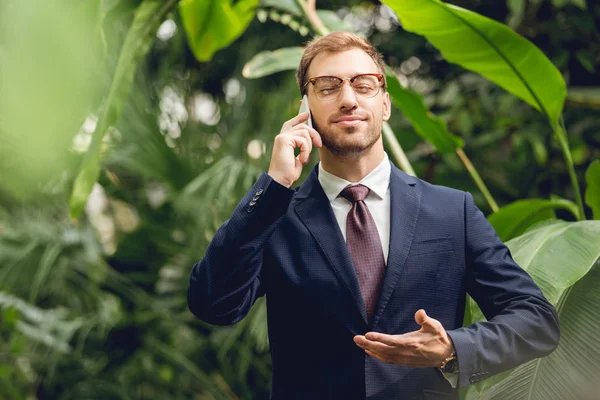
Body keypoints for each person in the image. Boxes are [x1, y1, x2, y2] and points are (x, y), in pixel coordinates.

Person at [187, 32, 560, 400]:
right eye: (328, 87)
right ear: (305, 109)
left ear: (385, 104)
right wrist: (273, 185)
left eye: (364, 84)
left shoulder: (453, 211)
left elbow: (536, 321)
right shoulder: (274, 214)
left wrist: (451, 348)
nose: (348, 99)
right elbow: (213, 305)